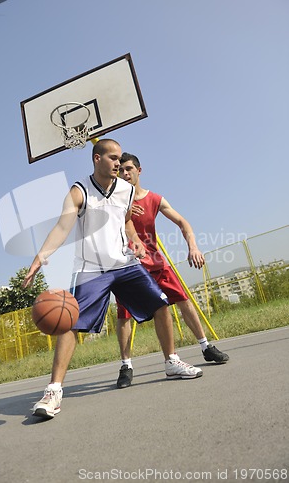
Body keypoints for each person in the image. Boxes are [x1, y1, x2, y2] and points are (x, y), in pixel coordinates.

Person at [23, 139, 203, 419]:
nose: (118, 163)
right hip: (92, 268)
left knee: (160, 304)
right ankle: (54, 391)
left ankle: (171, 362)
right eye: (112, 157)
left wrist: (134, 241)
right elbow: (62, 226)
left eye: (120, 158)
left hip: (124, 263)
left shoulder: (126, 190)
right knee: (68, 322)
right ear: (97, 159)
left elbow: (127, 220)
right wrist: (40, 256)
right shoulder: (79, 191)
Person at [115, 152, 229, 389]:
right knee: (124, 315)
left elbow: (183, 222)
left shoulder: (154, 199)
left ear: (139, 170)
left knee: (183, 300)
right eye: (120, 170)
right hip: (128, 265)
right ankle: (126, 365)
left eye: (128, 169)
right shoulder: (113, 201)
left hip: (155, 262)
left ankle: (205, 346)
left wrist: (193, 246)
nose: (124, 174)